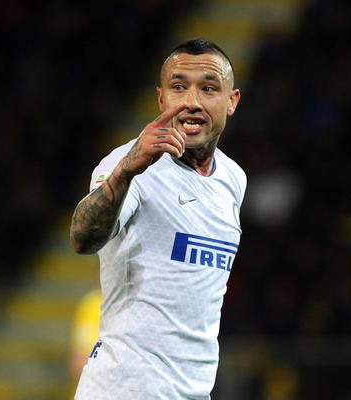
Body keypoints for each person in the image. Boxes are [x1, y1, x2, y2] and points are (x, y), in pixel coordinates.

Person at [69, 38, 245, 399]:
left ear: (231, 101)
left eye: (208, 88)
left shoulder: (233, 179)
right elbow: (81, 238)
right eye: (179, 87)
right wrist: (126, 171)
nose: (192, 101)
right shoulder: (128, 165)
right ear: (161, 98)